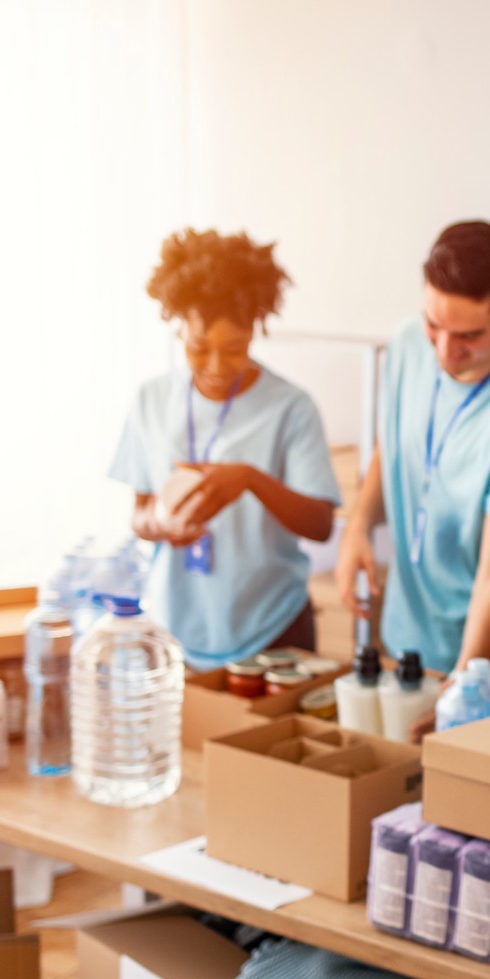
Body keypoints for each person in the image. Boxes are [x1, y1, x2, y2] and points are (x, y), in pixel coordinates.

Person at [336, 221, 490, 681]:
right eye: (434, 325)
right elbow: (395, 438)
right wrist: (359, 525)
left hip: (478, 659)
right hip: (401, 638)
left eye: (468, 336)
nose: (444, 350)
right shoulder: (407, 343)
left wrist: (465, 679)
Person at [108, 229, 341, 668]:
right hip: (177, 630)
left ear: (256, 329)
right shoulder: (151, 400)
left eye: (235, 348)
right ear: (179, 328)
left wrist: (250, 480)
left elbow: (321, 523)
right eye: (199, 348)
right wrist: (161, 524)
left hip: (273, 627)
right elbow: (139, 513)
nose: (216, 368)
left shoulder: (291, 408)